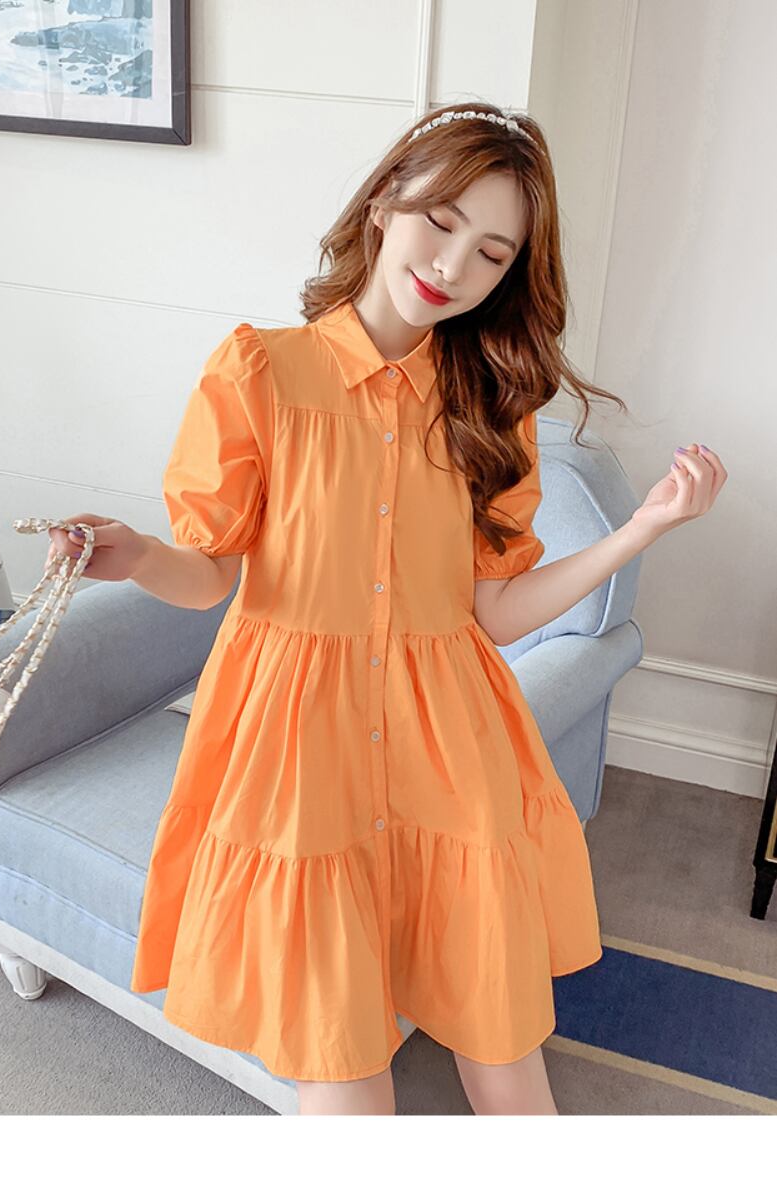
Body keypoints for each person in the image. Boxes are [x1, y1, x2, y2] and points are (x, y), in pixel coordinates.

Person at [47, 102, 727, 1115]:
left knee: (502, 1044)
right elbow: (213, 575)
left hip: (448, 744)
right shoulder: (261, 370)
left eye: (491, 252)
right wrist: (139, 554)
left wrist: (639, 532)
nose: (452, 264)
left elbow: (496, 612)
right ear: (383, 204)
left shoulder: (488, 409)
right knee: (340, 1058)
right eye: (440, 220)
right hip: (296, 753)